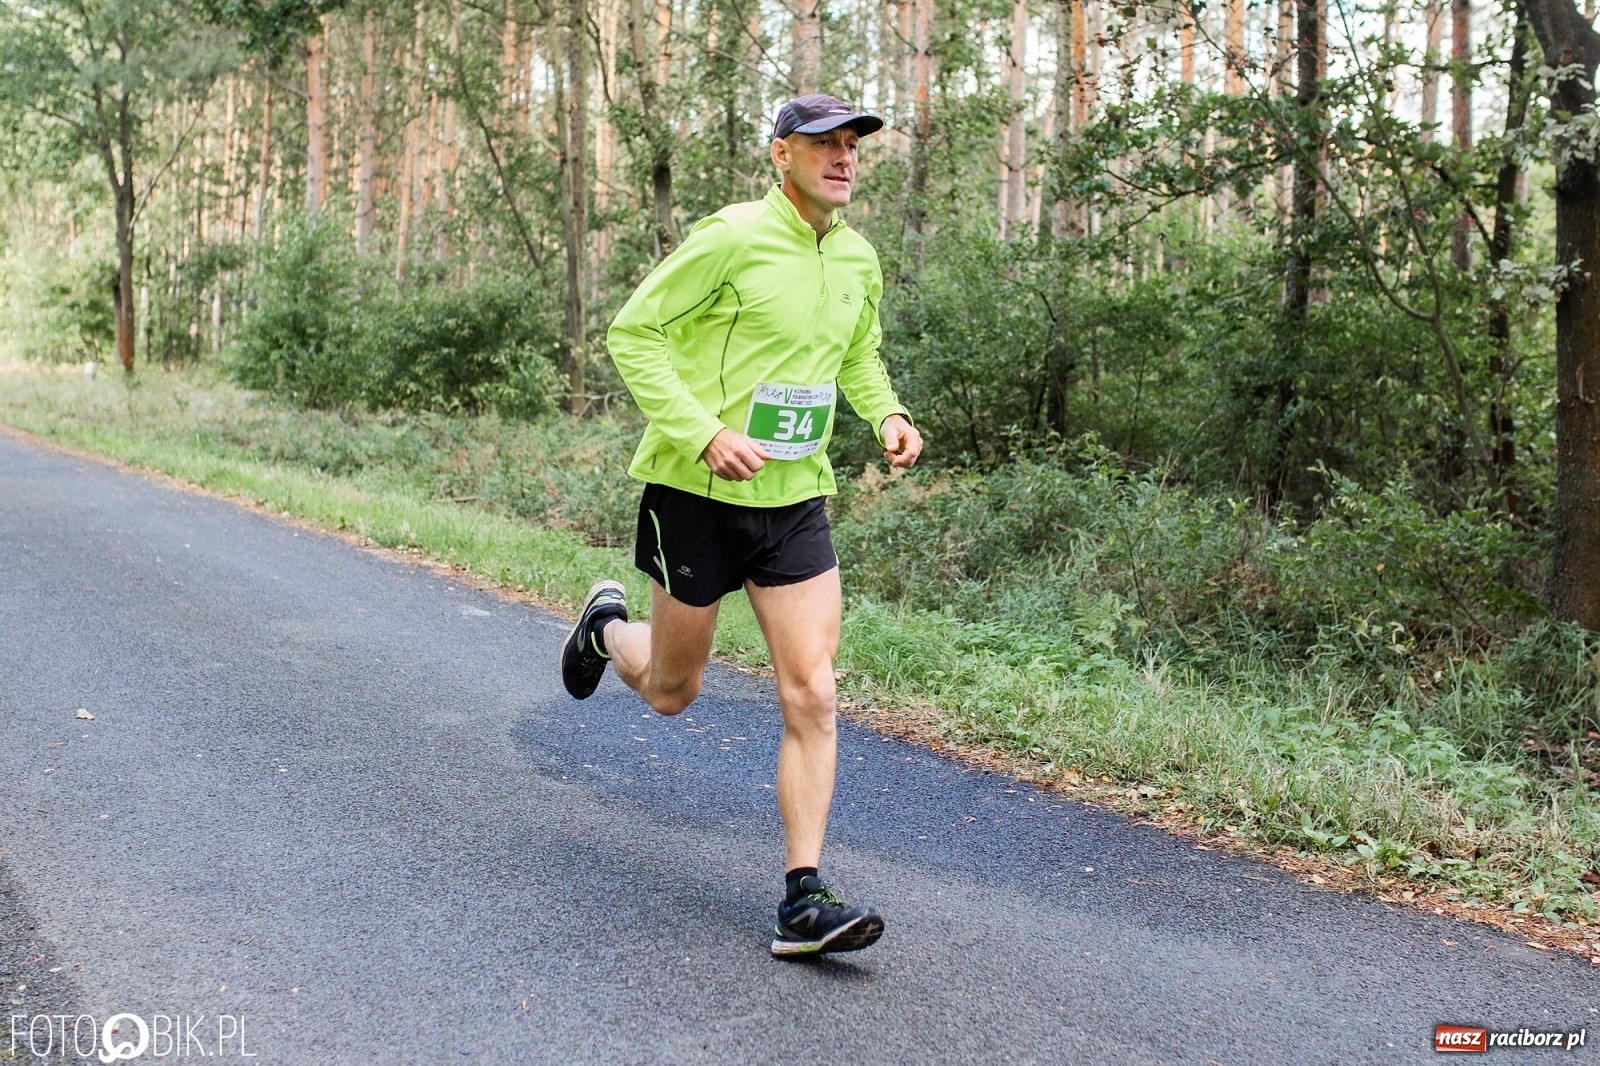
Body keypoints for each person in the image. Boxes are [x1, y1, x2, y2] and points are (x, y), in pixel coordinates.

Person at [560, 93, 923, 958]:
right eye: (823, 145)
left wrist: (887, 415)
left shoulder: (859, 259)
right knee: (673, 693)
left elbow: (857, 354)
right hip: (697, 495)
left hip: (794, 501)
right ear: (780, 156)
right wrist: (704, 432)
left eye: (851, 146)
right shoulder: (730, 237)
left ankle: (803, 899)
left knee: (814, 690)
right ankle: (606, 628)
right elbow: (633, 333)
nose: (843, 159)